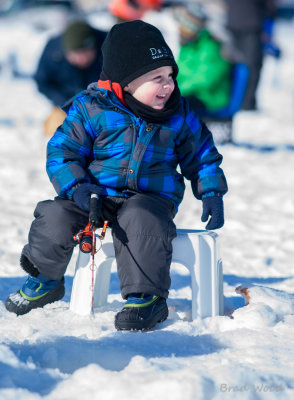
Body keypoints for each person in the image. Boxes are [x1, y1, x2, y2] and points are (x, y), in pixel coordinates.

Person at [5, 20, 228, 331]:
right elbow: (62, 153)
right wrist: (78, 188)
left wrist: (211, 191)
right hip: (93, 195)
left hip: (150, 199)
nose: (168, 86)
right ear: (127, 81)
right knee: (54, 215)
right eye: (156, 78)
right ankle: (45, 279)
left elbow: (202, 154)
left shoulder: (178, 115)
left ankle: (146, 297)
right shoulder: (91, 108)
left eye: (170, 76)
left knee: (141, 221)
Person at [34, 20, 107, 136]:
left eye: (86, 54)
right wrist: (65, 102)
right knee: (57, 131)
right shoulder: (52, 50)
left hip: (104, 105)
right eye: (76, 55)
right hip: (66, 104)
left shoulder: (109, 44)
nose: (81, 59)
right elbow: (42, 82)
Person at [175, 4, 233, 115]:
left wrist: (178, 91)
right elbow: (178, 74)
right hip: (189, 95)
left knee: (177, 106)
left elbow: (205, 80)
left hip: (209, 99)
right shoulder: (187, 47)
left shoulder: (211, 47)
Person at [225, 0, 274, 110]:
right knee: (251, 66)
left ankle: (237, 101)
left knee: (237, 65)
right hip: (252, 23)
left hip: (234, 21)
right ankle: (246, 103)